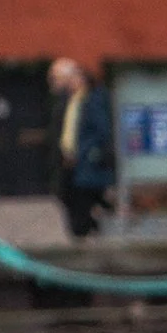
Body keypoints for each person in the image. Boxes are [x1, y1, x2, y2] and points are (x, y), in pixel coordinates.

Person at [48, 55, 114, 239]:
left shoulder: (93, 100)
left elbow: (102, 130)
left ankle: (89, 229)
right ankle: (89, 227)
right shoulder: (72, 100)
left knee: (83, 200)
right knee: (71, 197)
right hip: (70, 161)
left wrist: (93, 152)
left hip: (86, 160)